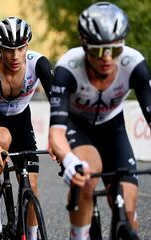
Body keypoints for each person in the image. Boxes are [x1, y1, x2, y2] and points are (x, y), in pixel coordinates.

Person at [48, 2, 151, 240]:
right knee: (87, 175)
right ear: (85, 46)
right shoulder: (68, 68)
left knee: (127, 205)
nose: (107, 58)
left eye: (114, 51)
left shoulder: (134, 64)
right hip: (78, 127)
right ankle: (79, 235)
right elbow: (55, 134)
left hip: (112, 127)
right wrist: (70, 160)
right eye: (98, 51)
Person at [0, 16, 53, 239]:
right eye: (8, 49)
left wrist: (58, 138)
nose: (15, 56)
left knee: (32, 186)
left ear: (27, 45)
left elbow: (59, 105)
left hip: (21, 117)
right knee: (2, 140)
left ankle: (32, 235)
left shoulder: (39, 64)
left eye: (20, 48)